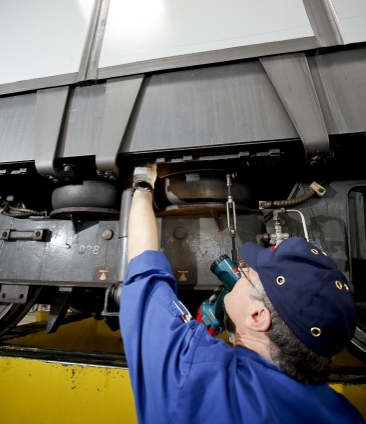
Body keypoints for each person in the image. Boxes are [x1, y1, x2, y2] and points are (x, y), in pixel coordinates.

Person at [119, 165, 364, 424]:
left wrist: (144, 182)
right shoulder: (345, 414)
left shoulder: (196, 376)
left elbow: (143, 266)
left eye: (247, 274)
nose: (241, 269)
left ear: (258, 316)